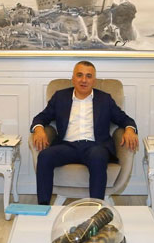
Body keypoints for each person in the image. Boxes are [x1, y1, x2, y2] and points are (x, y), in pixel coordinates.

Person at [31, 60, 139, 205]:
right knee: (45, 156)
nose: (84, 80)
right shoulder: (60, 97)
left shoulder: (105, 99)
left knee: (98, 156)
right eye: (79, 75)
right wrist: (38, 129)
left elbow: (125, 119)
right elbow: (41, 117)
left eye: (88, 76)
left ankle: (96, 207)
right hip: (67, 146)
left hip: (95, 146)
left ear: (94, 80)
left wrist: (129, 130)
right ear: (73, 78)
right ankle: (43, 207)